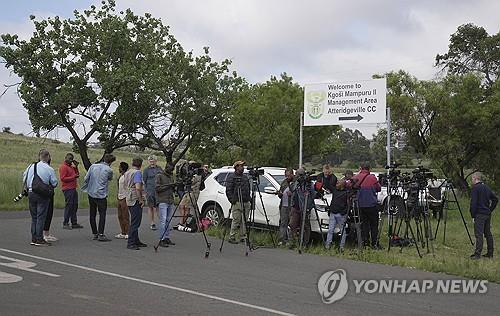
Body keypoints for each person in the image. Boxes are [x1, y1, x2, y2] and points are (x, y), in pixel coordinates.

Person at [23, 149, 58, 246]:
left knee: (34, 217)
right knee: (41, 217)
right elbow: (54, 183)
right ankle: (39, 239)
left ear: (39, 157)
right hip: (42, 194)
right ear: (48, 157)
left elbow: (24, 177)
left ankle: (34, 238)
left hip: (31, 193)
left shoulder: (31, 166)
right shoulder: (49, 169)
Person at [82, 154, 115, 241]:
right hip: (101, 194)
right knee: (102, 214)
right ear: (111, 162)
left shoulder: (93, 166)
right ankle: (101, 233)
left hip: (91, 192)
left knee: (92, 213)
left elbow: (86, 178)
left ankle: (95, 233)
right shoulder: (109, 170)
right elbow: (110, 179)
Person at [352, 162, 382, 249]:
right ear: (369, 168)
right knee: (374, 225)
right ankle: (374, 243)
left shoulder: (356, 177)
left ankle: (365, 242)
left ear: (361, 168)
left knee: (364, 225)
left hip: (360, 205)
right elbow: (378, 188)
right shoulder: (372, 178)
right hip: (371, 205)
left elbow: (350, 186)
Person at [470, 172, 498, 259]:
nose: (472, 181)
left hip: (479, 214)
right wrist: (490, 209)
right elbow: (495, 199)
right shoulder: (486, 187)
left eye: (472, 179)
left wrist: (473, 214)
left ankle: (477, 254)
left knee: (479, 234)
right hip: (487, 213)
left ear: (475, 178)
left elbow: (473, 203)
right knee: (488, 233)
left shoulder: (475, 188)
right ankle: (490, 253)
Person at [325, 170, 354, 251]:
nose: (336, 184)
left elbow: (348, 205)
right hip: (333, 213)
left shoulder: (346, 193)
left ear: (342, 185)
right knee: (330, 230)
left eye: (338, 183)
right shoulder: (335, 190)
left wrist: (343, 213)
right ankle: (328, 245)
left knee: (343, 231)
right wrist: (329, 175)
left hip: (341, 214)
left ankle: (341, 247)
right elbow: (329, 184)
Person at [225, 160, 251, 244]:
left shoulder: (245, 177)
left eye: (243, 166)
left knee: (244, 220)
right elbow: (228, 190)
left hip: (245, 201)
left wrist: (249, 199)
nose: (242, 167)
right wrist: (232, 200)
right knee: (236, 220)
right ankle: (232, 236)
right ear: (236, 167)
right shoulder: (232, 177)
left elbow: (248, 189)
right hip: (237, 201)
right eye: (241, 166)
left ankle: (243, 236)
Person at [288, 168, 315, 248]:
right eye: (296, 174)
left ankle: (304, 243)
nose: (296, 176)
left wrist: (308, 207)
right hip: (295, 206)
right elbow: (292, 190)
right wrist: (290, 183)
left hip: (304, 207)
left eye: (298, 174)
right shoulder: (296, 182)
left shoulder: (309, 184)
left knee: (305, 226)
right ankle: (293, 241)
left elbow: (313, 195)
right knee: (292, 224)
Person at [125, 157, 147, 250]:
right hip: (135, 197)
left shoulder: (128, 172)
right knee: (136, 221)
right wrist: (141, 199)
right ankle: (131, 242)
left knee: (134, 219)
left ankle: (136, 240)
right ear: (141, 164)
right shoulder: (137, 173)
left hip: (129, 196)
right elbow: (138, 187)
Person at [59, 153, 83, 230]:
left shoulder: (71, 167)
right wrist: (73, 177)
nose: (70, 160)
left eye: (71, 159)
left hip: (73, 188)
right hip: (67, 189)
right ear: (65, 158)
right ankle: (65, 223)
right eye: (69, 158)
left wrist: (76, 167)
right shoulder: (63, 167)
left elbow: (77, 174)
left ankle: (74, 222)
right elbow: (63, 178)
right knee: (69, 206)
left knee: (74, 205)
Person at [156, 163, 176, 247]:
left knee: (169, 220)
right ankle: (162, 238)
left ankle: (167, 237)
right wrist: (169, 186)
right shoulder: (159, 176)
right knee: (163, 220)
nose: (171, 171)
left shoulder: (171, 177)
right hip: (162, 200)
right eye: (170, 169)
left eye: (172, 170)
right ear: (166, 168)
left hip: (170, 200)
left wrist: (174, 187)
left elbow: (172, 188)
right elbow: (157, 188)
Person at [178, 161, 202, 229]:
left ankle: (182, 223)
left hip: (193, 192)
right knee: (181, 205)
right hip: (187, 191)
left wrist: (187, 177)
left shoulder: (197, 174)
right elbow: (185, 181)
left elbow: (191, 181)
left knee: (187, 207)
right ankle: (182, 222)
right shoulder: (190, 173)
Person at [143, 155, 163, 230]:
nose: (152, 162)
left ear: (156, 161)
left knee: (158, 207)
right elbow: (144, 181)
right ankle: (152, 223)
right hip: (150, 191)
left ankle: (162, 223)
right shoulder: (146, 170)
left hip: (158, 191)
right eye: (150, 161)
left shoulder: (160, 169)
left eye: (153, 160)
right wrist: (145, 192)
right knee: (150, 207)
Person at [278, 168, 295, 245]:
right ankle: (282, 239)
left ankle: (290, 240)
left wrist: (292, 195)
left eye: (289, 175)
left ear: (292, 174)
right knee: (283, 223)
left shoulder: (295, 182)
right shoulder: (284, 182)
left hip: (291, 206)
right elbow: (280, 191)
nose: (287, 177)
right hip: (283, 205)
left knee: (291, 224)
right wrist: (280, 194)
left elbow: (297, 194)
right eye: (286, 175)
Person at [42, 158, 58, 242]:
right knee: (48, 213)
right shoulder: (49, 169)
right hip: (47, 193)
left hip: (35, 193)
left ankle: (38, 234)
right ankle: (46, 234)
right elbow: (54, 182)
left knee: (38, 215)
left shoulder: (33, 166)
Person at [115, 162, 130, 239]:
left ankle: (128, 232)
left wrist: (127, 197)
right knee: (120, 216)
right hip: (120, 197)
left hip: (125, 198)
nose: (118, 168)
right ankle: (123, 232)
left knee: (125, 216)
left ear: (122, 168)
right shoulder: (120, 176)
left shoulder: (126, 176)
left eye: (119, 167)